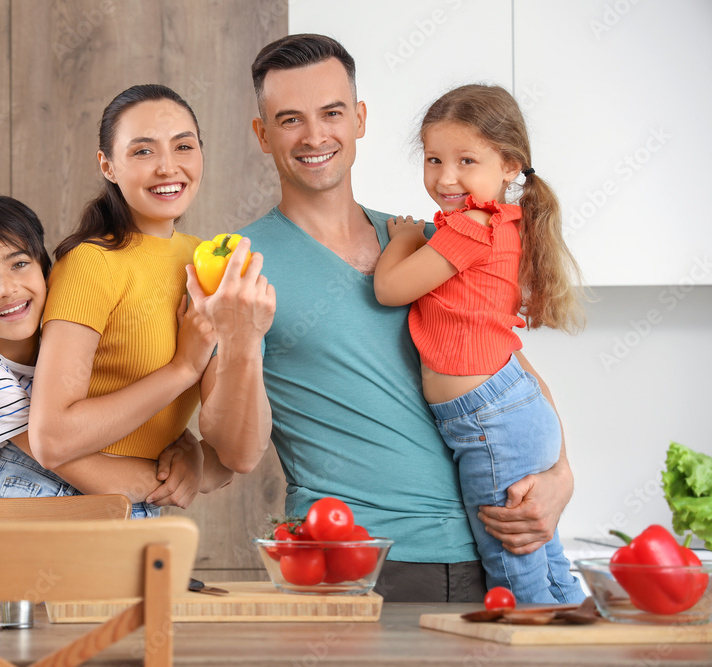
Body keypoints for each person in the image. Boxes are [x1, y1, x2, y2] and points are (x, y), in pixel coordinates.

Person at [217, 34, 576, 602]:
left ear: (358, 119)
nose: (315, 136)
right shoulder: (240, 266)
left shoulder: (428, 242)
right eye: (290, 120)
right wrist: (240, 339)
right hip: (357, 564)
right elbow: (233, 450)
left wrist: (560, 476)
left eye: (332, 113)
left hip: (486, 551)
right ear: (262, 135)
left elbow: (507, 367)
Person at [372, 84, 586, 603]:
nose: (446, 177)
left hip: (489, 423)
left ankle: (533, 651)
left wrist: (402, 239)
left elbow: (389, 289)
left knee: (512, 569)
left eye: (467, 160)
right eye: (434, 160)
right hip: (506, 408)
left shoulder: (469, 227)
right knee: (541, 557)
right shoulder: (502, 223)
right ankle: (573, 639)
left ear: (510, 164)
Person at [11, 84, 265, 514]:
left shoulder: (207, 263)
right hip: (50, 498)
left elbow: (237, 456)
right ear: (107, 166)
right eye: (143, 152)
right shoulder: (90, 264)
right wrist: (182, 368)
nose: (168, 167)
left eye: (183, 146)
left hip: (136, 507)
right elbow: (52, 440)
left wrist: (246, 340)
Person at [0, 193, 202, 510]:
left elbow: (112, 417)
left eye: (19, 263)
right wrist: (181, 474)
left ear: (48, 271)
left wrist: (190, 451)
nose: (5, 289)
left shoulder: (59, 347)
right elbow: (98, 477)